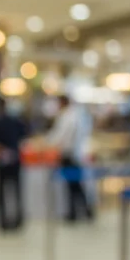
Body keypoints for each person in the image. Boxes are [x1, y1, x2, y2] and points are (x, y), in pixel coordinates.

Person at [47, 95, 93, 223]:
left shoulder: (67, 117)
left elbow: (60, 136)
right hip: (73, 153)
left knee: (74, 185)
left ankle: (78, 212)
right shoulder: (72, 116)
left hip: (70, 154)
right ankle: (82, 211)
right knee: (75, 185)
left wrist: (48, 143)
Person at [0, 98, 29, 232]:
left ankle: (3, 221)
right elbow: (25, 135)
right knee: (16, 191)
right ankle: (18, 219)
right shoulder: (15, 121)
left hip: (2, 160)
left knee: (2, 192)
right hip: (15, 160)